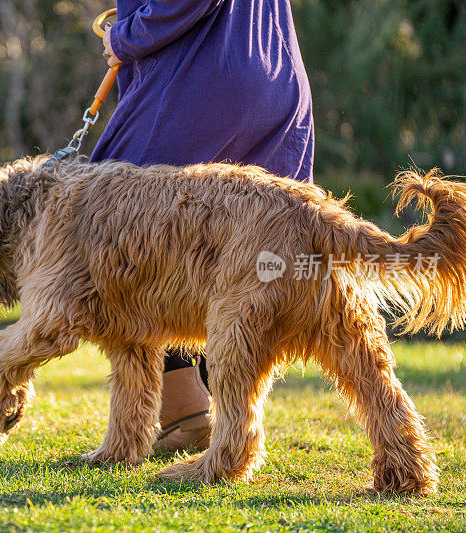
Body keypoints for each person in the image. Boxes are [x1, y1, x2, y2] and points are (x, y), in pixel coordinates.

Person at [92, 0, 314, 451]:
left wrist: (126, 37)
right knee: (248, 258)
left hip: (200, 82)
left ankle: (186, 413)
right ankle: (222, 420)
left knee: (122, 237)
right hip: (273, 71)